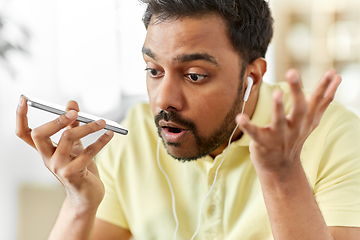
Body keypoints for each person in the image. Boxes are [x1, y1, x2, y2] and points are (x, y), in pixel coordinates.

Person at [16, 0, 360, 239]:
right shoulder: (133, 136)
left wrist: (281, 174)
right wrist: (79, 201)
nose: (163, 99)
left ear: (251, 77)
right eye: (153, 70)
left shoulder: (332, 135)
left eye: (194, 75)